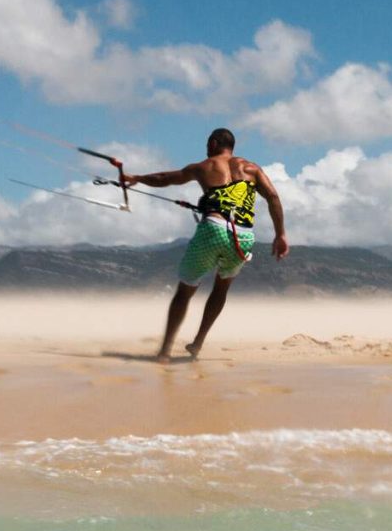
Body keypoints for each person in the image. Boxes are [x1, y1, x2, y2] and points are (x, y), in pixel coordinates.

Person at [120, 128, 289, 361]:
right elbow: (273, 197)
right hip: (243, 237)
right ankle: (198, 343)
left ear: (213, 142)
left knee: (185, 291)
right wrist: (280, 235)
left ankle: (165, 351)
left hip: (213, 230)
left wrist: (136, 178)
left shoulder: (204, 166)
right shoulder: (252, 169)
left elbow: (165, 179)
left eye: (207, 143)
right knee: (221, 288)